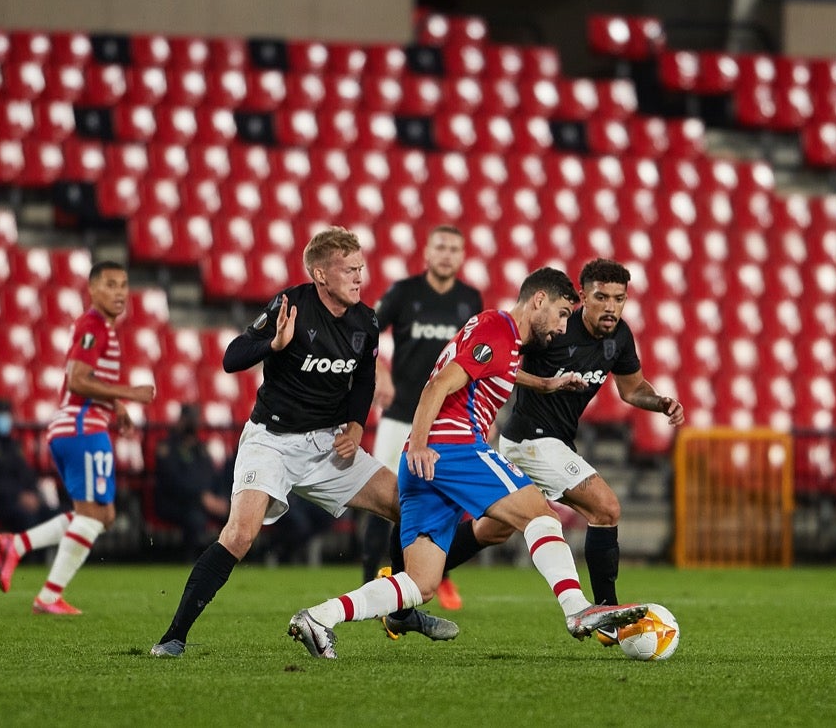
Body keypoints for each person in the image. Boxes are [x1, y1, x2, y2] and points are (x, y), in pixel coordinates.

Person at [285, 267, 649, 660]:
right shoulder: (498, 329)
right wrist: (422, 444)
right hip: (451, 446)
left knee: (420, 584)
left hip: (426, 463)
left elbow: (493, 370)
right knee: (541, 516)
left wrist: (544, 384)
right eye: (562, 313)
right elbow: (437, 385)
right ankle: (578, 610)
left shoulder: (502, 338)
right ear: (539, 300)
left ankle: (320, 617)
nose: (563, 327)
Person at [148, 226, 458, 658]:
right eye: (349, 269)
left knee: (408, 504)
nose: (359, 277)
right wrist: (272, 344)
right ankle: (173, 636)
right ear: (320, 274)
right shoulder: (290, 305)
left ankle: (400, 610)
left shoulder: (365, 322)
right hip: (272, 441)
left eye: (361, 268)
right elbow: (231, 357)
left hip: (329, 445)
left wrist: (354, 424)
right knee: (239, 534)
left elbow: (364, 380)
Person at [385, 257, 682, 638]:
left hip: (554, 440)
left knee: (491, 531)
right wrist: (541, 385)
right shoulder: (555, 328)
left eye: (619, 299)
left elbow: (631, 389)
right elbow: (502, 357)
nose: (610, 307)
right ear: (581, 298)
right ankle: (606, 613)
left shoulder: (619, 336)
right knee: (606, 507)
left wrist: (659, 402)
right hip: (532, 438)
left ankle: (412, 581)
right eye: (601, 297)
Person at [0, 260, 155, 614]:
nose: (119, 293)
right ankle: (47, 594)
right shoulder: (93, 325)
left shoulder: (103, 328)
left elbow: (81, 383)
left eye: (124, 285)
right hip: (83, 427)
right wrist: (127, 393)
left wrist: (116, 406)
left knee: (102, 514)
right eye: (110, 285)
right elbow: (78, 379)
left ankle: (18, 547)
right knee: (94, 515)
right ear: (92, 289)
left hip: (78, 425)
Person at [364, 224, 483, 612]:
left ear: (462, 256)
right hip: (401, 415)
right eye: (441, 247)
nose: (447, 254)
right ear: (427, 253)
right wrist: (380, 371)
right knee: (386, 497)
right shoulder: (405, 293)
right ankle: (371, 578)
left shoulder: (470, 300)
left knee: (446, 501)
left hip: (448, 423)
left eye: (454, 248)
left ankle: (436, 575)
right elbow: (367, 333)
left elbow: (479, 361)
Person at [153, 405, 231, 561]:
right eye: (190, 420)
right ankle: (192, 559)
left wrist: (220, 498)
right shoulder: (168, 447)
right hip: (175, 502)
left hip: (204, 501)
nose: (193, 424)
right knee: (195, 518)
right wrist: (201, 497)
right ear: (181, 421)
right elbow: (173, 482)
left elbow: (213, 477)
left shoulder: (201, 449)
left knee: (232, 513)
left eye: (195, 419)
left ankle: (228, 560)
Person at [0, 398, 56, 533]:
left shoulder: (13, 445)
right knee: (29, 522)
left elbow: (25, 473)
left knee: (53, 515)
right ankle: (26, 554)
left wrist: (32, 493)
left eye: (6, 415)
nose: (4, 419)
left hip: (22, 499)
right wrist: (18, 495)